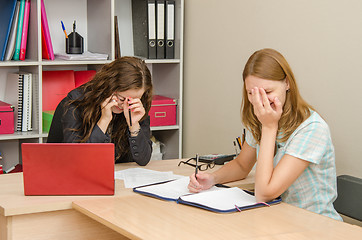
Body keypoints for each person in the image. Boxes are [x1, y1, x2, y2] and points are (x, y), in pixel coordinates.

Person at [188, 48, 342, 221]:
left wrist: (269, 127)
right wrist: (212, 178)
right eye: (252, 93)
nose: (260, 101)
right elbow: (241, 165)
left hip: (315, 225)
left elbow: (265, 194)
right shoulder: (262, 118)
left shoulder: (312, 129)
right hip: (277, 220)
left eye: (267, 92)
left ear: (287, 83)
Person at [47, 56, 153, 166]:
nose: (125, 105)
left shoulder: (136, 107)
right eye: (121, 98)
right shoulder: (76, 102)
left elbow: (143, 159)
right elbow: (77, 159)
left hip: (118, 175)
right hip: (71, 173)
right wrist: (104, 120)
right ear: (109, 86)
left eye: (133, 100)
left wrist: (134, 125)